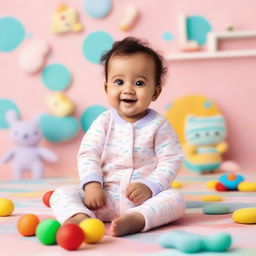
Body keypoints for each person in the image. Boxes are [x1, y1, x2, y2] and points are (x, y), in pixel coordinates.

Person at [50, 37, 185, 237]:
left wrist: (150, 186)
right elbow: (89, 154)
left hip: (143, 200)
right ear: (107, 88)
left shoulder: (159, 125)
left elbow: (171, 159)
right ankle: (79, 216)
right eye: (119, 82)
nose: (128, 89)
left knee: (175, 199)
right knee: (61, 194)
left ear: (155, 92)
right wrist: (93, 185)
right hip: (101, 198)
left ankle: (138, 219)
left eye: (139, 83)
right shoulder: (104, 122)